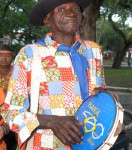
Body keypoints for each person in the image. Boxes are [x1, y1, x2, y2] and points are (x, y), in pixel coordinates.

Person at [3, 0, 121, 149]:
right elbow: (11, 112)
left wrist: (107, 100)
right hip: (47, 145)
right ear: (47, 20)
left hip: (90, 143)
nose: (71, 13)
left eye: (76, 9)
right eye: (62, 9)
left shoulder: (93, 51)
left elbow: (99, 93)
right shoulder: (29, 54)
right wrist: (51, 122)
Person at [0, 44, 17, 150]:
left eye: (8, 56)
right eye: (1, 55)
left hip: (14, 113)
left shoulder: (17, 72)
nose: (4, 59)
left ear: (12, 58)